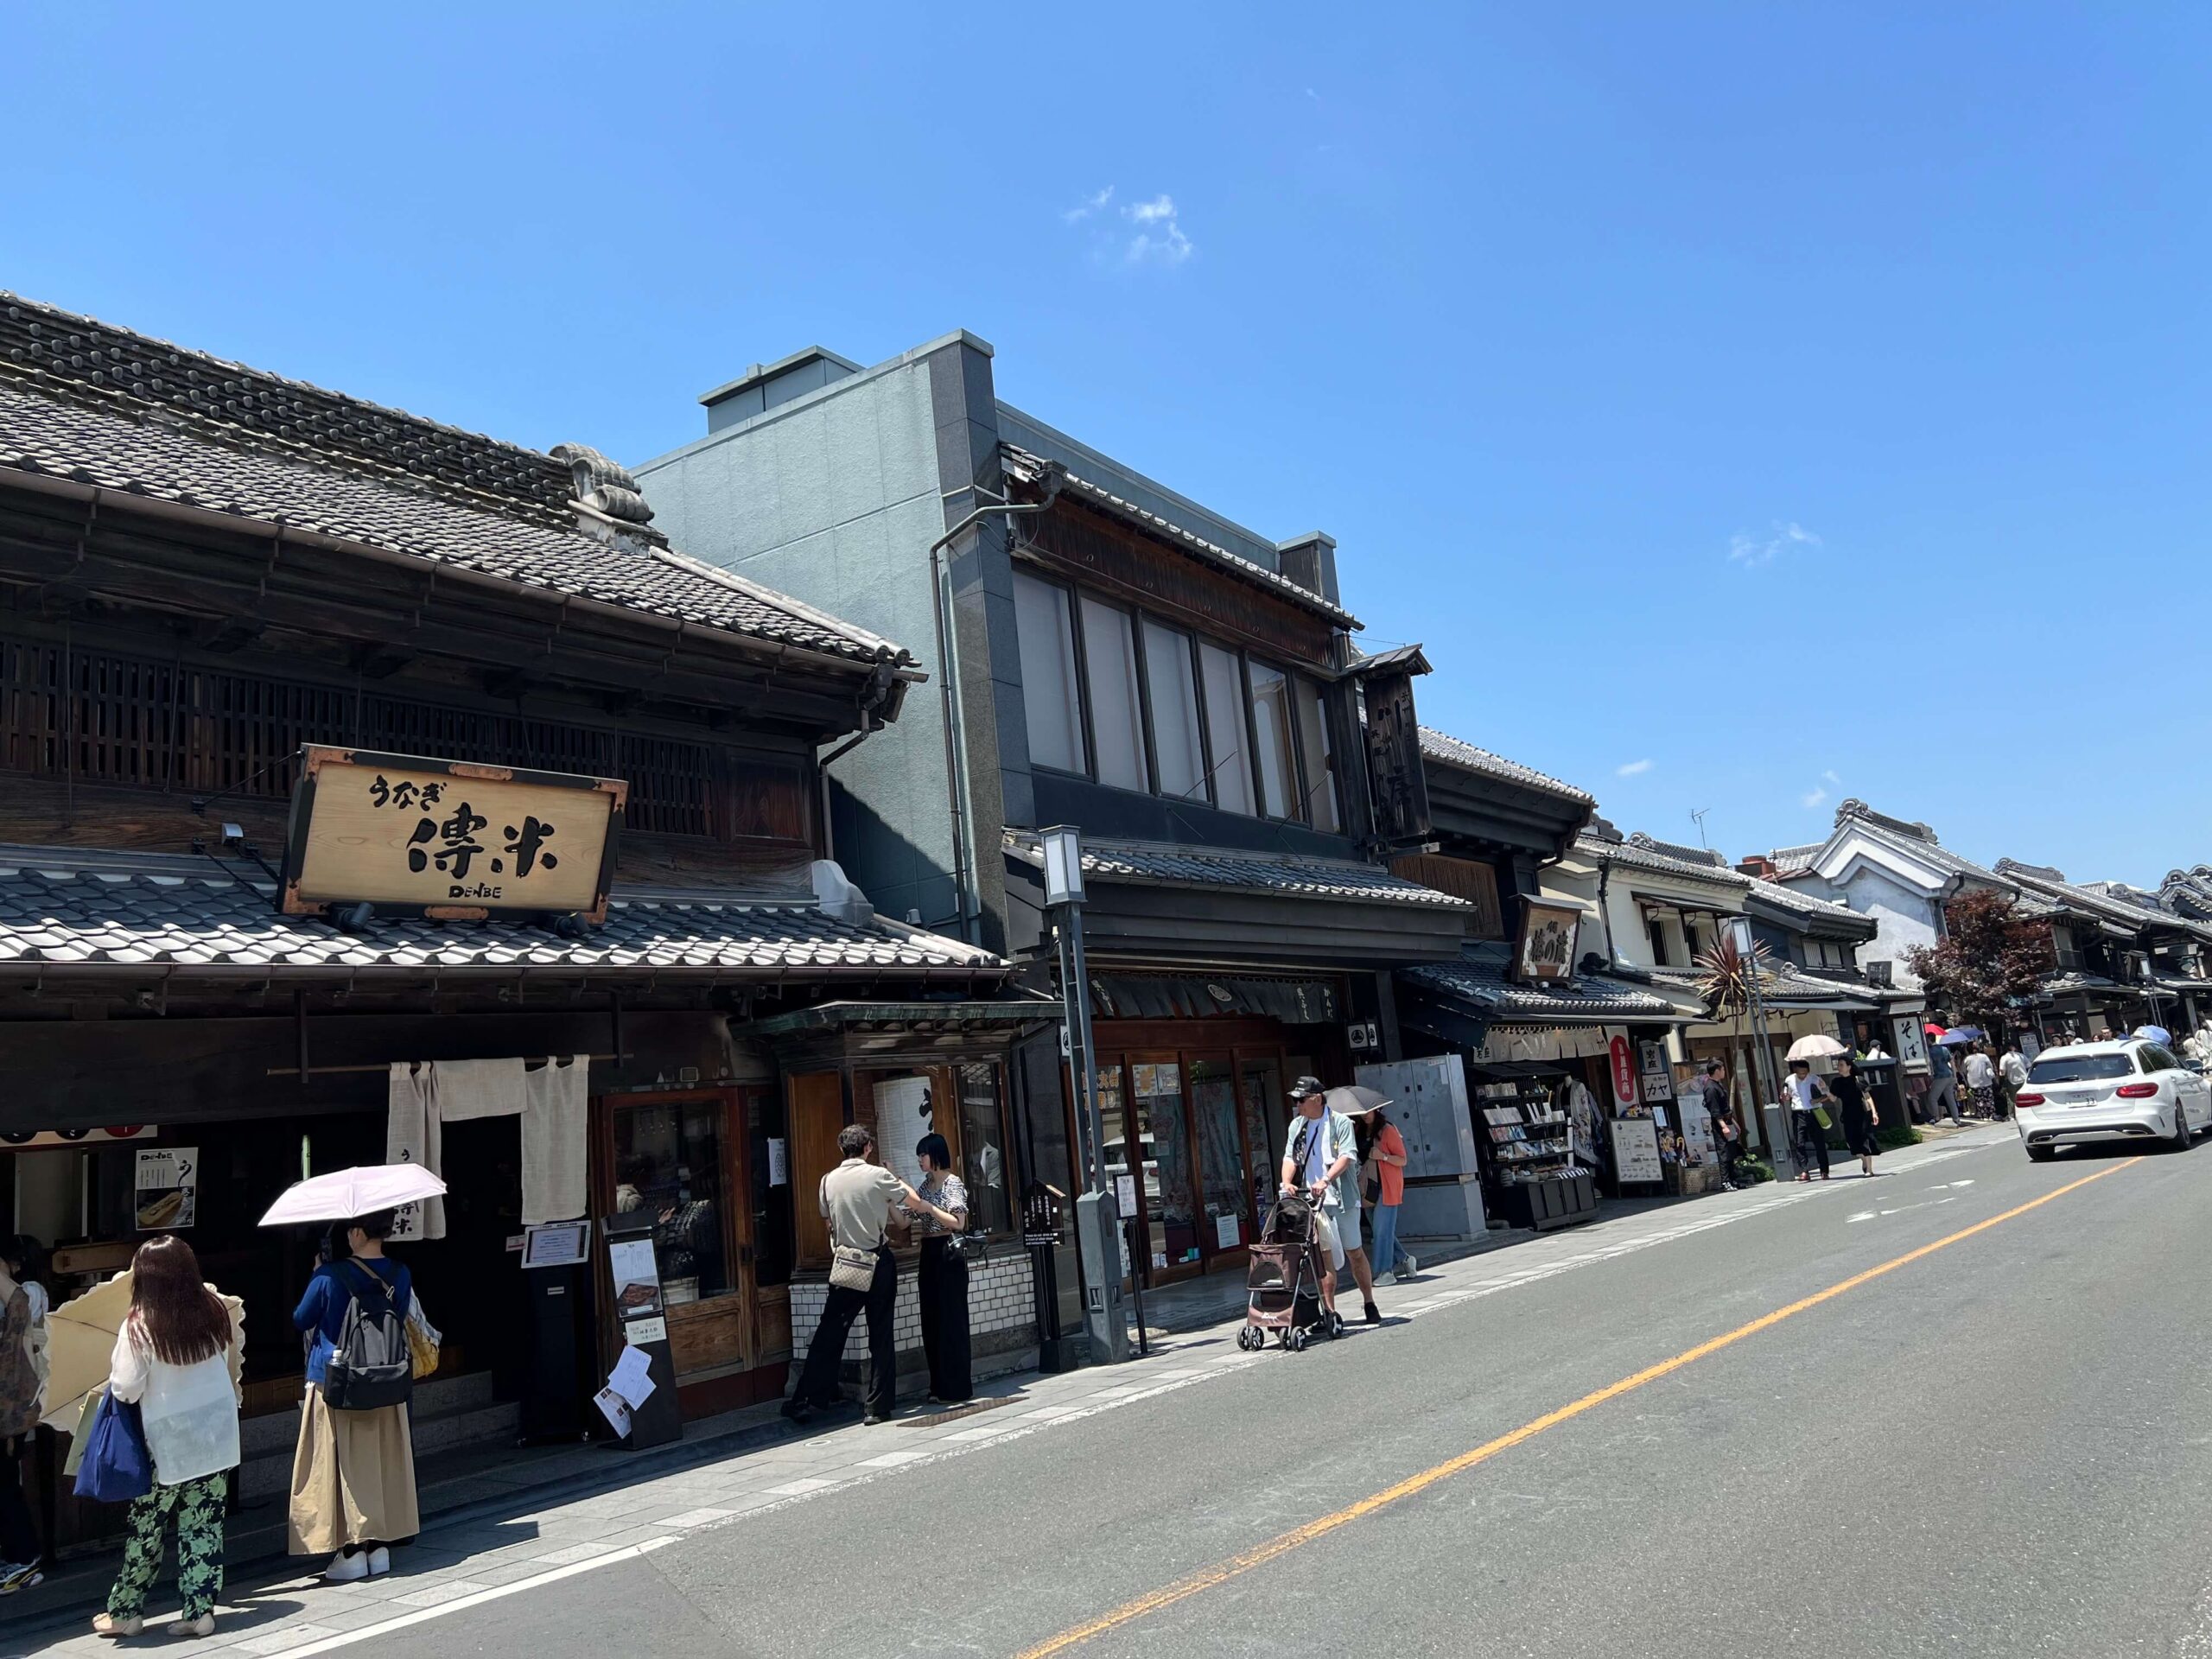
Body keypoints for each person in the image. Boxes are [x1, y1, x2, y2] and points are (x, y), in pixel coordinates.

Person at [92, 1236, 243, 1640]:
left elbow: (126, 1388)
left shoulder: (140, 1324)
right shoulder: (213, 1310)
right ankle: (200, 1612)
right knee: (204, 1525)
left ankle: (125, 1612)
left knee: (148, 1528)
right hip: (216, 1435)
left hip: (166, 1442)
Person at [289, 1210, 418, 1582]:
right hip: (386, 1378)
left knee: (342, 1465)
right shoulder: (400, 1273)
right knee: (380, 1462)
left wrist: (316, 1274)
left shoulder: (330, 1276)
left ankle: (350, 1550)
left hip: (337, 1380)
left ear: (358, 1232)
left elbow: (301, 1318)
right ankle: (378, 1548)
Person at [787, 1124, 918, 1426]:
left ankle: (805, 1399)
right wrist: (895, 1176)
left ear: (841, 1148)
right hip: (878, 1259)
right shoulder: (878, 1176)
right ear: (868, 1147)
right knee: (881, 1334)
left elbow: (827, 1217)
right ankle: (877, 1407)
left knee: (829, 1332)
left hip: (847, 1263)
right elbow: (907, 1206)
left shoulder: (827, 1181)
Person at [1279, 1077, 1361, 1325]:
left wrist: (1325, 1179)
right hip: (1314, 1203)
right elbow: (1290, 1157)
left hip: (1342, 1197)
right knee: (1324, 1256)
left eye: (1301, 1100)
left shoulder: (1340, 1122)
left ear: (1316, 1098)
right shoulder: (1298, 1126)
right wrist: (1287, 1182)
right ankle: (1330, 1312)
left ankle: (1368, 1300)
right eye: (1295, 1100)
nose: (1298, 1105)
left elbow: (1347, 1156)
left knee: (1354, 1251)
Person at [906, 1132, 972, 1405]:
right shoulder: (925, 1185)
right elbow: (903, 1221)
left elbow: (959, 1222)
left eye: (923, 1154)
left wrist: (930, 1208)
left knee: (951, 1319)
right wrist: (892, 1194)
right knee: (931, 1319)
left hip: (948, 1251)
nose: (920, 1160)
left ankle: (956, 1388)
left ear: (935, 1155)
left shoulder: (951, 1183)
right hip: (929, 1253)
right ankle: (937, 1386)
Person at [0, 1237, 43, 1597]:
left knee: (4, 1486)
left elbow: (18, 1306)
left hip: (10, 1409)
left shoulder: (22, 1295)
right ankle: (21, 1559)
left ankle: (23, 1561)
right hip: (12, 1409)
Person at [1362, 1107, 1419, 1283]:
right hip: (1368, 1187)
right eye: (1362, 1112)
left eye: (1368, 1111)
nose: (1364, 1115)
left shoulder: (1388, 1129)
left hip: (1387, 1187)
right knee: (1381, 1230)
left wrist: (1383, 1157)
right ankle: (1406, 1259)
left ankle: (1386, 1272)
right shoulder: (1361, 1130)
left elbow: (1402, 1159)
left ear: (1376, 1110)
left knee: (1381, 1230)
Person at [1689, 1060, 1742, 1189]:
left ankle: (1732, 1179)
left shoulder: (1718, 1085)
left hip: (1727, 1120)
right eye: (1723, 1069)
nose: (1724, 1072)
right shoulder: (1710, 1087)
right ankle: (1725, 1182)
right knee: (1723, 1152)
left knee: (1730, 1151)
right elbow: (1715, 1110)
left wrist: (1734, 1123)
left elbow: (1725, 1108)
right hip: (1720, 1123)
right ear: (1717, 1070)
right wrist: (1723, 1126)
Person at [1782, 1059, 1834, 1181]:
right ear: (1795, 1071)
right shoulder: (1789, 1080)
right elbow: (1787, 1096)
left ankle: (1824, 1171)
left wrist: (1818, 1100)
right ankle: (1804, 1171)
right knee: (1799, 1143)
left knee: (1819, 1142)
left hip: (1814, 1112)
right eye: (1800, 1073)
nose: (1802, 1076)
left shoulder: (1815, 1079)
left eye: (1804, 1073)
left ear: (1808, 1071)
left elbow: (1827, 1094)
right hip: (1798, 1113)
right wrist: (1785, 1097)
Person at [1831, 1057, 1881, 1178]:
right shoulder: (1837, 1082)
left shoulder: (1858, 1079)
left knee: (1864, 1139)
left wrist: (1874, 1112)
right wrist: (1824, 1089)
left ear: (1849, 1067)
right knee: (1850, 1142)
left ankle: (1869, 1169)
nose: (1839, 1067)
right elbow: (1833, 1098)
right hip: (1847, 1114)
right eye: (1838, 1065)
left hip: (1862, 1114)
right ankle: (1863, 1158)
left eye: (1841, 1065)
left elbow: (1868, 1097)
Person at [1926, 1034, 1963, 1126]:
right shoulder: (1944, 1049)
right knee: (1950, 1098)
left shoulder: (1929, 1051)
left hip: (1939, 1076)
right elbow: (1952, 1062)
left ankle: (1936, 1117)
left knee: (1932, 1098)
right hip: (1949, 1075)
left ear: (1929, 1040)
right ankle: (1956, 1118)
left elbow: (1930, 1065)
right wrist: (1955, 1077)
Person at [1962, 1043, 1997, 1121]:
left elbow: (1964, 1071)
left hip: (1974, 1083)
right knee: (1989, 1099)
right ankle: (1991, 1114)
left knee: (1979, 1100)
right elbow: (1990, 1066)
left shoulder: (1966, 1059)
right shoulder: (1984, 1057)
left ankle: (1983, 1115)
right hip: (1986, 1081)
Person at [1999, 1042, 2030, 1117]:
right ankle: (2026, 1112)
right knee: (2025, 1097)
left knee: (2012, 1099)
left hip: (2012, 1081)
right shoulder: (2021, 1056)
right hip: (2024, 1079)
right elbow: (2029, 1065)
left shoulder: (2004, 1058)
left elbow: (2002, 1072)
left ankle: (2013, 1115)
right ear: (2013, 1047)